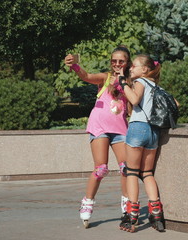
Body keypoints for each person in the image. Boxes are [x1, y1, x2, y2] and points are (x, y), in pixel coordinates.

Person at [64, 46, 131, 228]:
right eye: (114, 61)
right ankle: (88, 201)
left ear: (127, 63)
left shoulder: (131, 82)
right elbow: (86, 76)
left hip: (120, 129)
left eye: (121, 61)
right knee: (101, 168)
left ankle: (127, 206)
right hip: (100, 126)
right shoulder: (105, 78)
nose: (116, 64)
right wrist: (75, 66)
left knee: (126, 168)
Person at [118, 54, 166, 233]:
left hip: (138, 128)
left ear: (145, 69)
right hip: (153, 132)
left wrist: (123, 83)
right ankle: (156, 215)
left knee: (131, 172)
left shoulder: (142, 82)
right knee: (146, 173)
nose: (131, 68)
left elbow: (135, 99)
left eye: (134, 66)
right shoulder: (157, 86)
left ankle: (131, 217)